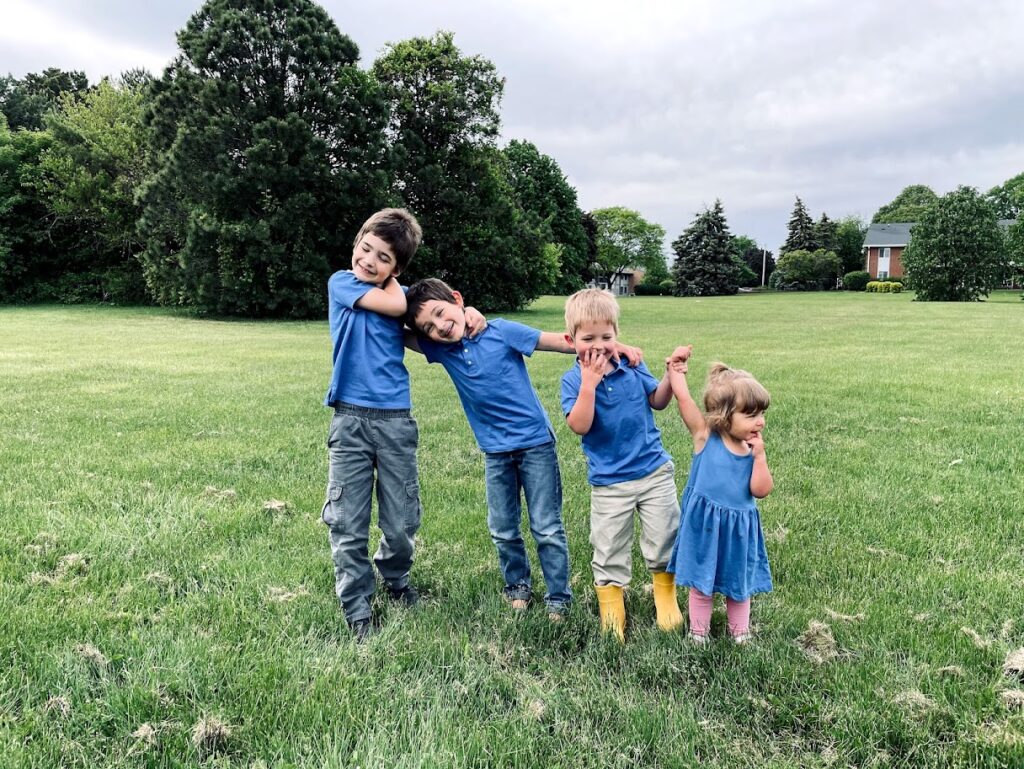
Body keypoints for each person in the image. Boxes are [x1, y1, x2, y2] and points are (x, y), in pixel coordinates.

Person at [404, 278, 641, 621]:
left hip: (535, 445)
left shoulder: (502, 331)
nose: (440, 326)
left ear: (457, 298)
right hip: (495, 452)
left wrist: (615, 346)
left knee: (546, 526)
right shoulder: (439, 348)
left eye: (441, 313)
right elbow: (393, 323)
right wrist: (451, 314)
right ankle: (518, 586)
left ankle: (558, 596)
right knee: (502, 527)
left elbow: (562, 343)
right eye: (429, 325)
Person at [321, 208, 425, 642]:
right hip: (350, 420)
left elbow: (428, 325)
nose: (369, 260)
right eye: (366, 248)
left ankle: (395, 577)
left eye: (384, 258)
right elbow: (399, 303)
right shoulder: (343, 283)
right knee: (348, 520)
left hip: (395, 421)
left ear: (397, 268)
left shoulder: (391, 299)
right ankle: (357, 604)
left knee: (401, 521)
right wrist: (393, 281)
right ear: (355, 244)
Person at [559, 288, 684, 641]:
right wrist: (589, 383)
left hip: (654, 470)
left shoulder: (631, 365)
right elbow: (579, 425)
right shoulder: (572, 380)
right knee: (609, 544)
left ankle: (665, 593)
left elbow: (657, 401)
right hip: (610, 481)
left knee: (664, 535)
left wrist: (670, 378)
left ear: (617, 335)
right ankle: (612, 606)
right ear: (571, 340)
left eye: (607, 336)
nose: (598, 346)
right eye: (588, 338)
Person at [665, 348, 774, 645]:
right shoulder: (705, 437)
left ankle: (740, 632)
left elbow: (761, 491)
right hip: (706, 526)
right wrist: (676, 372)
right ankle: (698, 632)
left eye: (761, 413)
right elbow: (685, 402)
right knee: (702, 584)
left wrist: (761, 458)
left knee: (739, 585)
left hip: (738, 529)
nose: (760, 421)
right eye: (750, 414)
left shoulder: (752, 450)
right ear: (724, 416)